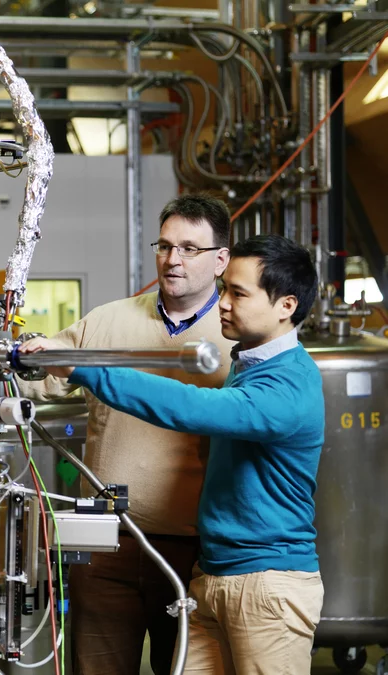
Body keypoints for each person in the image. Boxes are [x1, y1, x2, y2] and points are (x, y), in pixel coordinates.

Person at [20, 234, 324, 675]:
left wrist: (82, 366)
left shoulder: (289, 384)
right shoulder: (248, 366)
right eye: (225, 290)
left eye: (238, 293)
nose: (223, 303)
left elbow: (192, 407)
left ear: (286, 306)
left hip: (268, 584)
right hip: (214, 574)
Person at [17, 193, 235, 675]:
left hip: (194, 548)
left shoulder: (236, 336)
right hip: (105, 542)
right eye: (165, 245)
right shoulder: (108, 321)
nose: (172, 259)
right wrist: (19, 354)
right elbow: (42, 374)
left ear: (221, 259)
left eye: (189, 249)